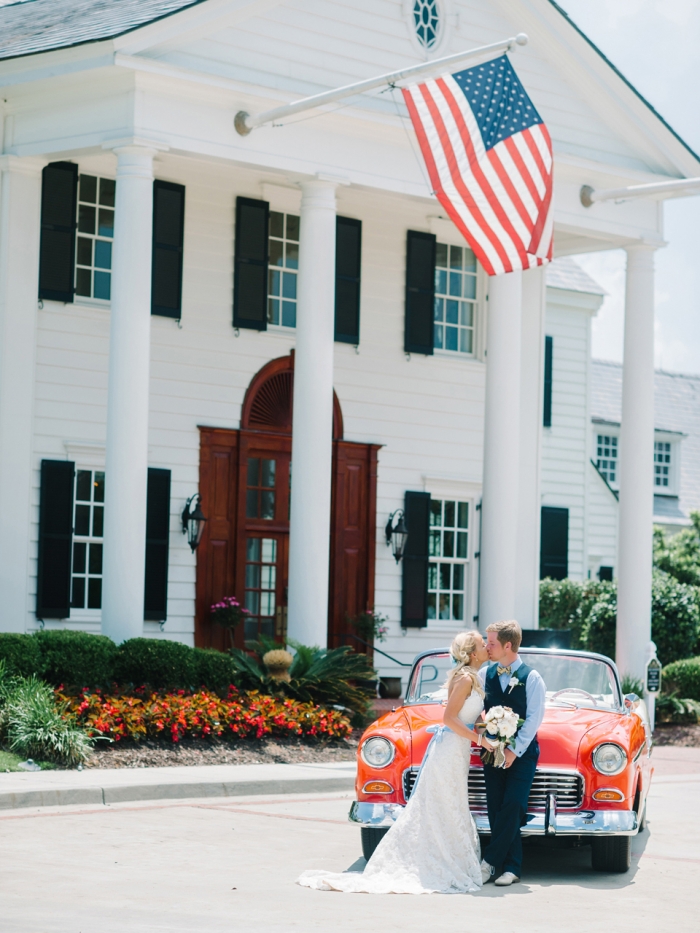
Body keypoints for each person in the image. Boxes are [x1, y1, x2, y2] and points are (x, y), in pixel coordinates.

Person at [296, 630, 495, 894]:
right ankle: (439, 863)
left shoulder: (472, 677)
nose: (487, 647)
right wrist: (479, 740)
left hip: (457, 752)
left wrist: (488, 726)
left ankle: (446, 858)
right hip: (448, 751)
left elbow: (465, 717)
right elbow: (448, 718)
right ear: (472, 654)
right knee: (445, 805)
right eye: (483, 644)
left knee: (450, 806)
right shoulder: (465, 679)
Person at [478, 620, 546, 888]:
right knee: (496, 807)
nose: (487, 647)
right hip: (491, 749)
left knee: (514, 805)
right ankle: (511, 867)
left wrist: (514, 751)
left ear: (508, 645)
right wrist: (485, 735)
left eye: (491, 643)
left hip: (523, 753)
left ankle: (489, 862)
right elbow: (480, 713)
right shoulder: (485, 674)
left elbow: (533, 719)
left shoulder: (532, 678)